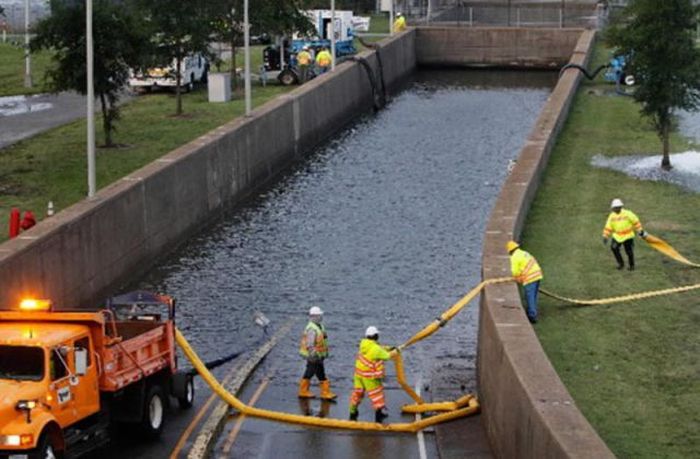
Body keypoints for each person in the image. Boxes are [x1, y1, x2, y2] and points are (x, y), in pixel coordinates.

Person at [349, 326, 393, 423]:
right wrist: (396, 351)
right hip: (370, 377)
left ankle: (352, 413)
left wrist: (389, 348)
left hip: (358, 375)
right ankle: (378, 417)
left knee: (357, 394)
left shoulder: (363, 345)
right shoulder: (376, 349)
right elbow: (387, 356)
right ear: (376, 336)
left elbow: (379, 348)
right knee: (377, 396)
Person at [298, 306, 337, 400]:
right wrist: (314, 354)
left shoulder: (319, 326)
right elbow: (310, 344)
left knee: (319, 373)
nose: (321, 317)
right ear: (314, 316)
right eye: (320, 315)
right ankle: (305, 391)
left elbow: (322, 341)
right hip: (314, 357)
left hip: (318, 356)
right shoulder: (312, 329)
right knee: (312, 373)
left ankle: (324, 392)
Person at [602, 198, 646, 271]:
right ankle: (621, 264)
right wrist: (605, 236)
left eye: (617, 208)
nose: (615, 209)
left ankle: (631, 266)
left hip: (628, 236)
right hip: (617, 236)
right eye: (614, 208)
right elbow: (608, 227)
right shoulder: (612, 216)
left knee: (629, 251)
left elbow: (636, 222)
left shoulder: (628, 213)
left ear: (620, 207)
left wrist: (640, 230)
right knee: (614, 248)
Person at [507, 241, 543, 324]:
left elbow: (514, 272)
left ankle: (532, 316)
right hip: (537, 274)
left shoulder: (514, 257)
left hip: (529, 277)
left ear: (510, 251)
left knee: (529, 296)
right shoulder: (524, 253)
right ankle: (533, 311)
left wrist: (517, 277)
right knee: (534, 295)